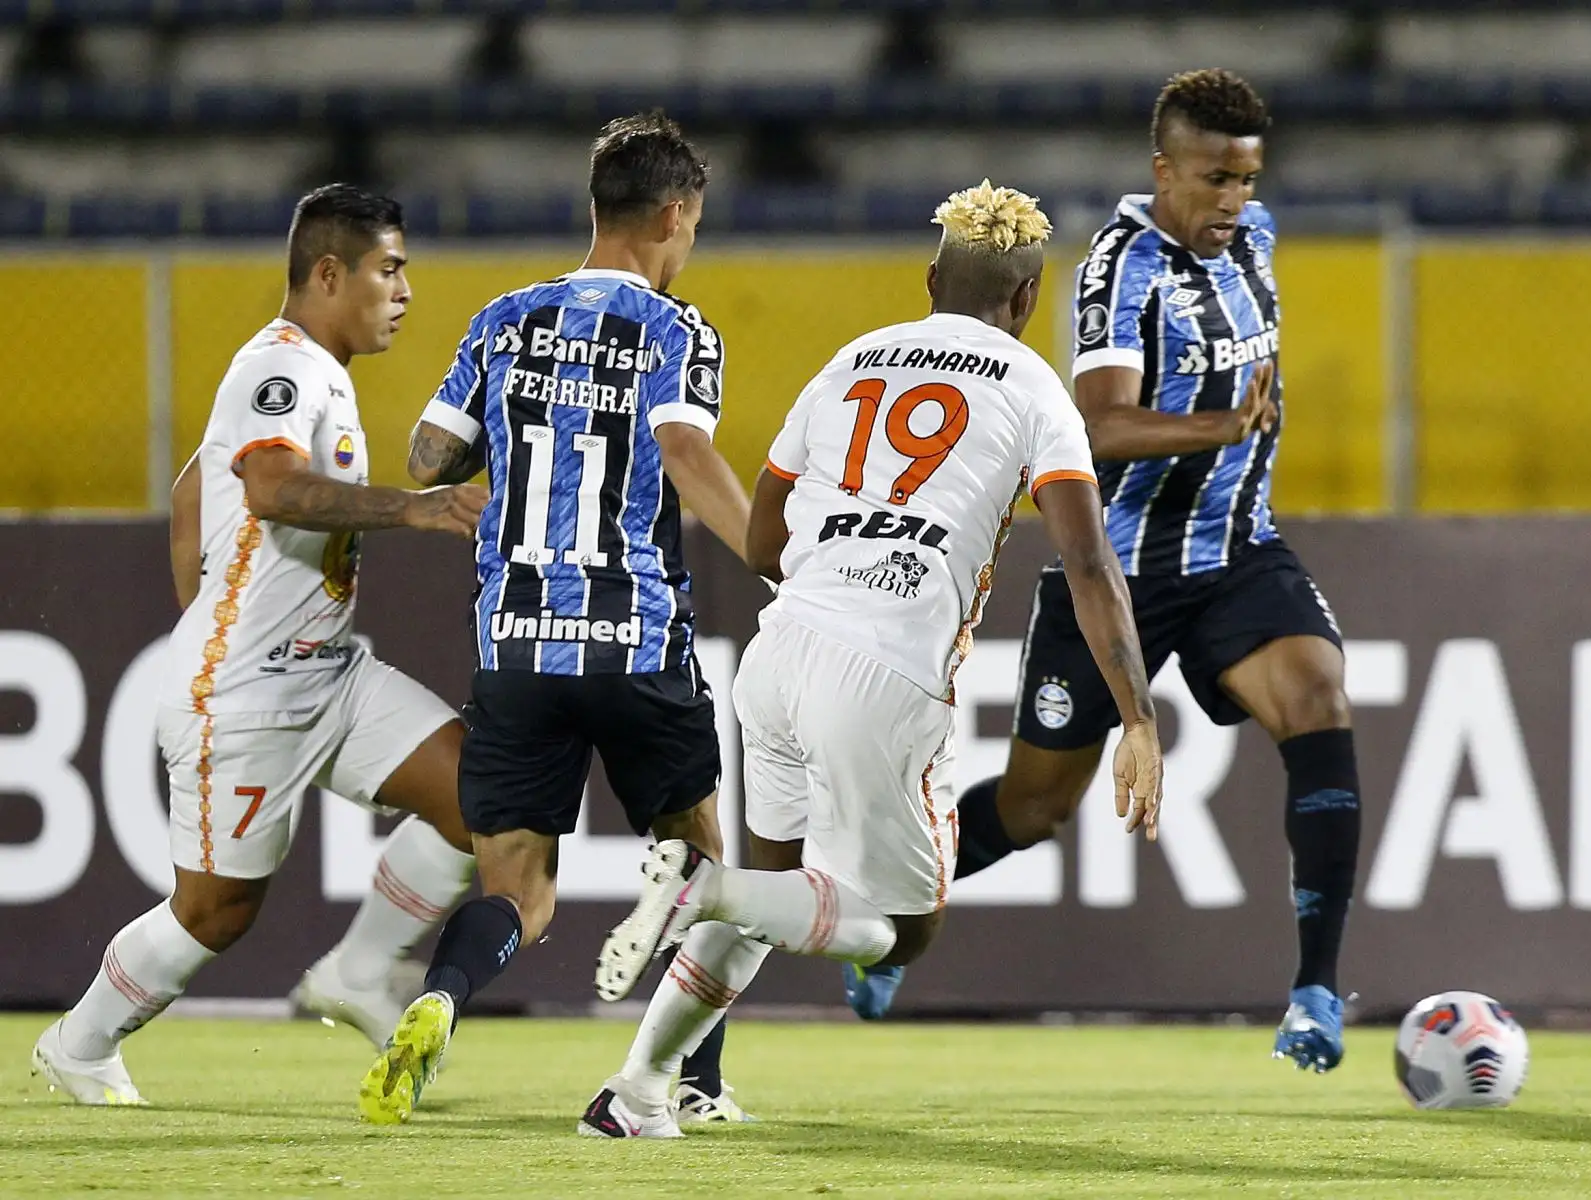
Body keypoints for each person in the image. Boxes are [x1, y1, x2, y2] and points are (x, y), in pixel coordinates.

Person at [580, 180, 1165, 1138]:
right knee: (901, 930)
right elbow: (1088, 559)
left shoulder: (847, 361)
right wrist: (1137, 717)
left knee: (775, 900)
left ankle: (640, 1090)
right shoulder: (1033, 390)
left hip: (779, 652)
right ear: (1026, 300)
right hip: (887, 668)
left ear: (931, 277)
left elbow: (765, 540)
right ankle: (703, 884)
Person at [857, 69, 1361, 1074]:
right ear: (1162, 168)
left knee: (1319, 699)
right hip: (1118, 573)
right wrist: (1223, 425)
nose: (1233, 202)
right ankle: (883, 905)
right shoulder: (1116, 271)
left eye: (1248, 181)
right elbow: (1098, 425)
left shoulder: (1255, 244)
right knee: (1040, 807)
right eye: (1214, 179)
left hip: (1235, 547)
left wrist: (1234, 447)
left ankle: (1314, 991)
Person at [32, 184, 487, 1105]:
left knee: (484, 795)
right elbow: (272, 489)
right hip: (245, 696)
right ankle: (78, 1045)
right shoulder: (278, 368)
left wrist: (205, 608)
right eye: (388, 270)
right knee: (215, 912)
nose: (404, 291)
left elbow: (190, 490)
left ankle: (357, 973)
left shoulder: (320, 372)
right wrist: (413, 507)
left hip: (331, 677)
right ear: (329, 272)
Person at [356, 112, 755, 1129]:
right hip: (636, 639)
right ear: (674, 214)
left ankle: (441, 996)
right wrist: (773, 556)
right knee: (698, 863)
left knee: (517, 893)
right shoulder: (679, 329)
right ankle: (692, 1084)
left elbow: (427, 458)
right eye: (694, 227)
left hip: (518, 645)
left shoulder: (502, 320)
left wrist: (524, 425)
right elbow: (682, 450)